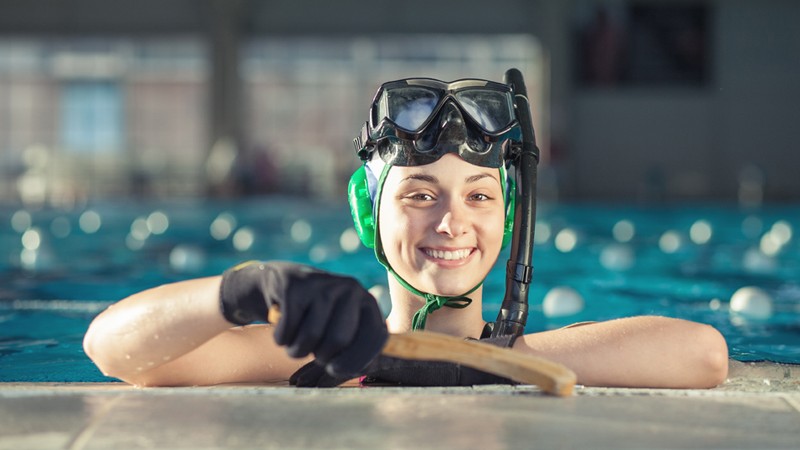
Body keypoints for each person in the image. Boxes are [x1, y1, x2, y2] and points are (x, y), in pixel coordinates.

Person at [83, 72, 729, 389]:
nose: (452, 222)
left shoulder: (527, 356)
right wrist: (241, 293)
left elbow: (704, 355)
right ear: (368, 213)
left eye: (479, 195)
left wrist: (483, 363)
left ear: (507, 216)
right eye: (420, 194)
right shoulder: (318, 354)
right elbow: (110, 349)